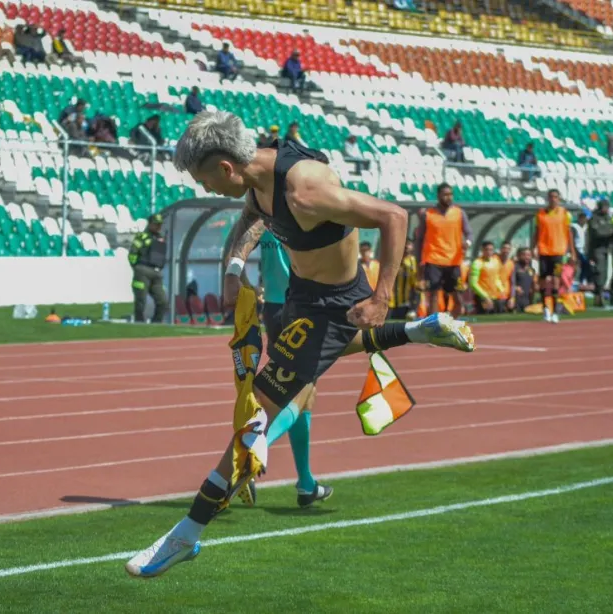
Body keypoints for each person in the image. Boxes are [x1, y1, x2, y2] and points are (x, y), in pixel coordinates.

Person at [125, 110, 476, 578]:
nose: (206, 189)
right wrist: (233, 266)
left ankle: (185, 534)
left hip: (324, 307)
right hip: (305, 297)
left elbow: (393, 216)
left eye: (204, 179)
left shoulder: (304, 190)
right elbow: (253, 214)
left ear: (226, 167)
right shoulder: (260, 173)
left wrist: (381, 298)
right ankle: (420, 331)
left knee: (255, 415)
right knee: (322, 361)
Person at [247, 229, 330, 507]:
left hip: (273, 307)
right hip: (302, 308)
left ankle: (306, 483)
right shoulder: (298, 216)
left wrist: (245, 283)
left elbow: (235, 249)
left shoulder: (262, 219)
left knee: (306, 395)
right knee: (303, 388)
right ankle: (257, 448)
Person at [412, 183, 470, 317]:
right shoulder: (428, 214)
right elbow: (419, 238)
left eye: (450, 194)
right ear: (438, 196)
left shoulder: (459, 213)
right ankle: (432, 325)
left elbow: (469, 233)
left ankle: (452, 323)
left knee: (456, 295)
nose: (448, 197)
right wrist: (419, 260)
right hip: (433, 259)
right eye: (445, 194)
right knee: (433, 293)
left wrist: (467, 242)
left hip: (454, 260)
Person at [532, 189, 576, 323]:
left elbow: (569, 233)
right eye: (551, 197)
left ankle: (556, 311)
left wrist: (572, 252)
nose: (553, 199)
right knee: (544, 280)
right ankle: (546, 309)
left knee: (556, 279)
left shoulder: (565, 214)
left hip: (558, 251)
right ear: (547, 198)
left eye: (556, 197)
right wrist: (533, 247)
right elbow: (537, 232)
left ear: (559, 198)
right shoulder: (540, 214)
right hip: (544, 251)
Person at [127, 213, 169, 323]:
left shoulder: (161, 238)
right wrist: (137, 268)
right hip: (143, 270)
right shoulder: (142, 237)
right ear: (150, 224)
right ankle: (139, 322)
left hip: (157, 273)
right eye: (156, 224)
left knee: (163, 301)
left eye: (160, 224)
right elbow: (132, 254)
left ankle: (156, 323)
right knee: (141, 300)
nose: (158, 227)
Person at [586, 199, 613, 308]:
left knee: (605, 273)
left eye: (607, 206)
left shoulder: (608, 218)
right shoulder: (594, 219)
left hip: (606, 249)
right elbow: (598, 232)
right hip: (596, 249)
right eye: (604, 206)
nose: (606, 208)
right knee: (599, 273)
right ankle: (598, 296)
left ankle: (600, 294)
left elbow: (611, 228)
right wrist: (611, 232)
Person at [469, 241, 501, 314]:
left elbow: (496, 278)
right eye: (486, 249)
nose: (489, 252)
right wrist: (485, 297)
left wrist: (501, 290)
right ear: (482, 250)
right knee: (484, 317)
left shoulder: (496, 261)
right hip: (482, 298)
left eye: (491, 250)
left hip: (495, 297)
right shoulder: (477, 263)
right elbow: (473, 283)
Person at [495, 241, 514, 312]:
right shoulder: (494, 260)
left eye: (508, 249)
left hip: (506, 294)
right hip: (494, 295)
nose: (506, 250)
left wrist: (512, 297)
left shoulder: (511, 263)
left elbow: (512, 281)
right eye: (504, 248)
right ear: (500, 249)